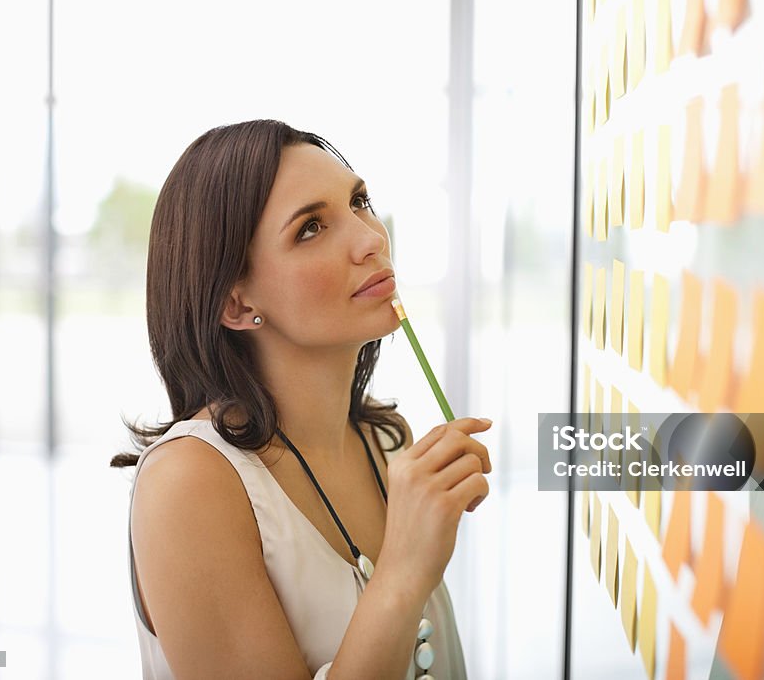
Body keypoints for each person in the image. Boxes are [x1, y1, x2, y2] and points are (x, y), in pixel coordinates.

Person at [109, 119, 493, 679]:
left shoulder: (389, 442)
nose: (371, 238)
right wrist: (405, 569)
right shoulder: (190, 482)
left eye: (359, 202)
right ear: (236, 304)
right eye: (311, 228)